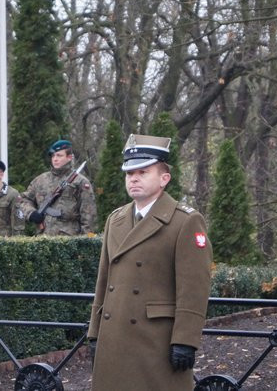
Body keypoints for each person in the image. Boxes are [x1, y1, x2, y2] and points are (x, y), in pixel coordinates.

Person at [87, 134, 213, 391]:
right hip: (115, 337)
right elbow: (104, 280)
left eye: (143, 172)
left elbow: (194, 288)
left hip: (157, 341)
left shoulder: (184, 221)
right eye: (129, 173)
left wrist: (185, 340)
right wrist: (94, 331)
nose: (133, 178)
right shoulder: (116, 219)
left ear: (164, 179)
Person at [19, 139, 97, 236]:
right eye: (53, 156)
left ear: (69, 157)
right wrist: (31, 213)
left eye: (59, 155)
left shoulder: (80, 182)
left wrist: (87, 241)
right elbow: (23, 200)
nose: (55, 159)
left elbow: (88, 216)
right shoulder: (40, 180)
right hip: (43, 238)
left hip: (70, 239)